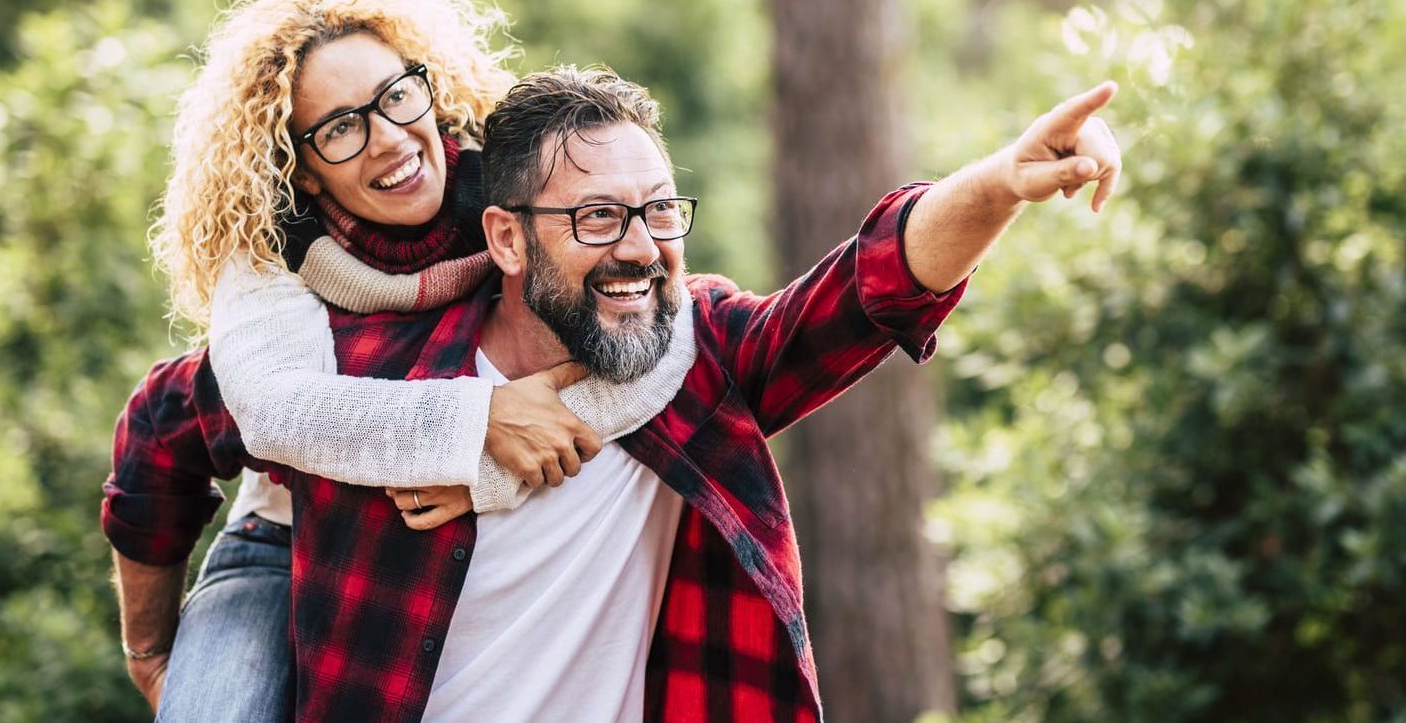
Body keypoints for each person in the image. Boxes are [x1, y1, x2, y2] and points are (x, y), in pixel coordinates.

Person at [109, 61, 1122, 720]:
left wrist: (995, 186)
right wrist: (150, 643)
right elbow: (164, 430)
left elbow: (865, 290)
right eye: (596, 219)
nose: (640, 250)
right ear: (505, 237)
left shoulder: (700, 361)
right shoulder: (363, 378)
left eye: (657, 212)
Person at [102, 0, 691, 720]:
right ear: (299, 167)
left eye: (396, 96)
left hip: (418, 549)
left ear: (430, 87)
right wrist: (149, 651)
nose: (388, 137)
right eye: (339, 128)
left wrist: (481, 475)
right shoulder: (269, 264)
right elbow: (255, 413)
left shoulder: (521, 204)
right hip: (283, 545)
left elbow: (664, 326)